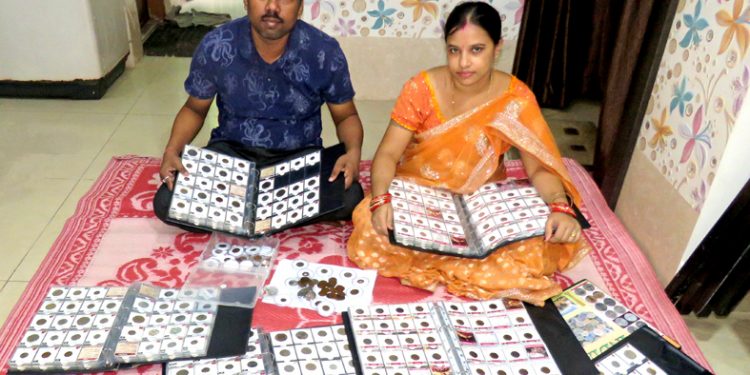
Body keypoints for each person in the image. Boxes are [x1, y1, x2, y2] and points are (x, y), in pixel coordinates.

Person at [347, 2, 590, 306]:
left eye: (476, 50)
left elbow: (539, 169)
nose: (463, 63)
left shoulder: (515, 98)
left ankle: (455, 261)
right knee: (370, 224)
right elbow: (387, 155)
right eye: (453, 50)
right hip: (420, 195)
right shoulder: (421, 88)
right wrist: (382, 199)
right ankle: (473, 268)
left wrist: (559, 206)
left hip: (482, 202)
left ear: (497, 48)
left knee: (538, 241)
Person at [153, 0, 364, 230]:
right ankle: (276, 213)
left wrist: (352, 152)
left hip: (299, 160)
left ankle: (249, 213)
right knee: (167, 201)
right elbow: (194, 109)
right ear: (245, 1)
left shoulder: (324, 50)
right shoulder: (217, 44)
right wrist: (172, 150)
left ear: (301, 6)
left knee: (351, 195)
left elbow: (346, 116)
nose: (272, 7)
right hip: (232, 158)